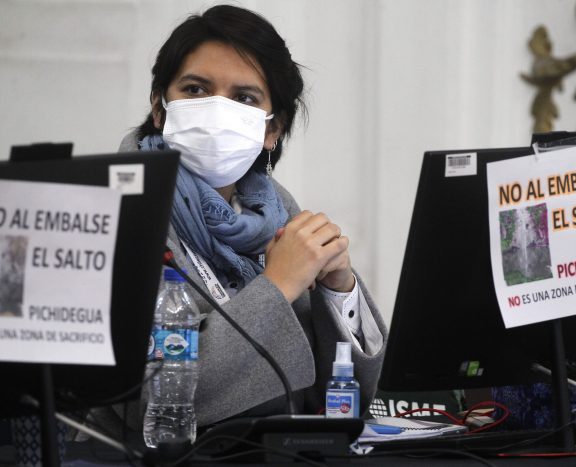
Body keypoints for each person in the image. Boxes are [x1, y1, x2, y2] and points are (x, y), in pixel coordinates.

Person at [112, 4, 387, 429]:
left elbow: (348, 398)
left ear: (271, 131)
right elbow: (149, 397)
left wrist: (339, 291)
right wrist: (278, 285)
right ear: (159, 106)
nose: (217, 111)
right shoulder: (123, 208)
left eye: (244, 98)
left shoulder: (275, 207)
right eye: (196, 89)